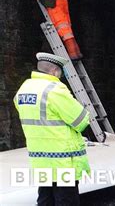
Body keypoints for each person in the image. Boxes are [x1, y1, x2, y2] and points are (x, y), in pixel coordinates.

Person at [13, 52, 90, 205]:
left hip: (40, 159)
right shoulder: (55, 89)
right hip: (62, 160)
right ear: (55, 71)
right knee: (66, 201)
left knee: (45, 199)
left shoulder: (24, 89)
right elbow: (81, 121)